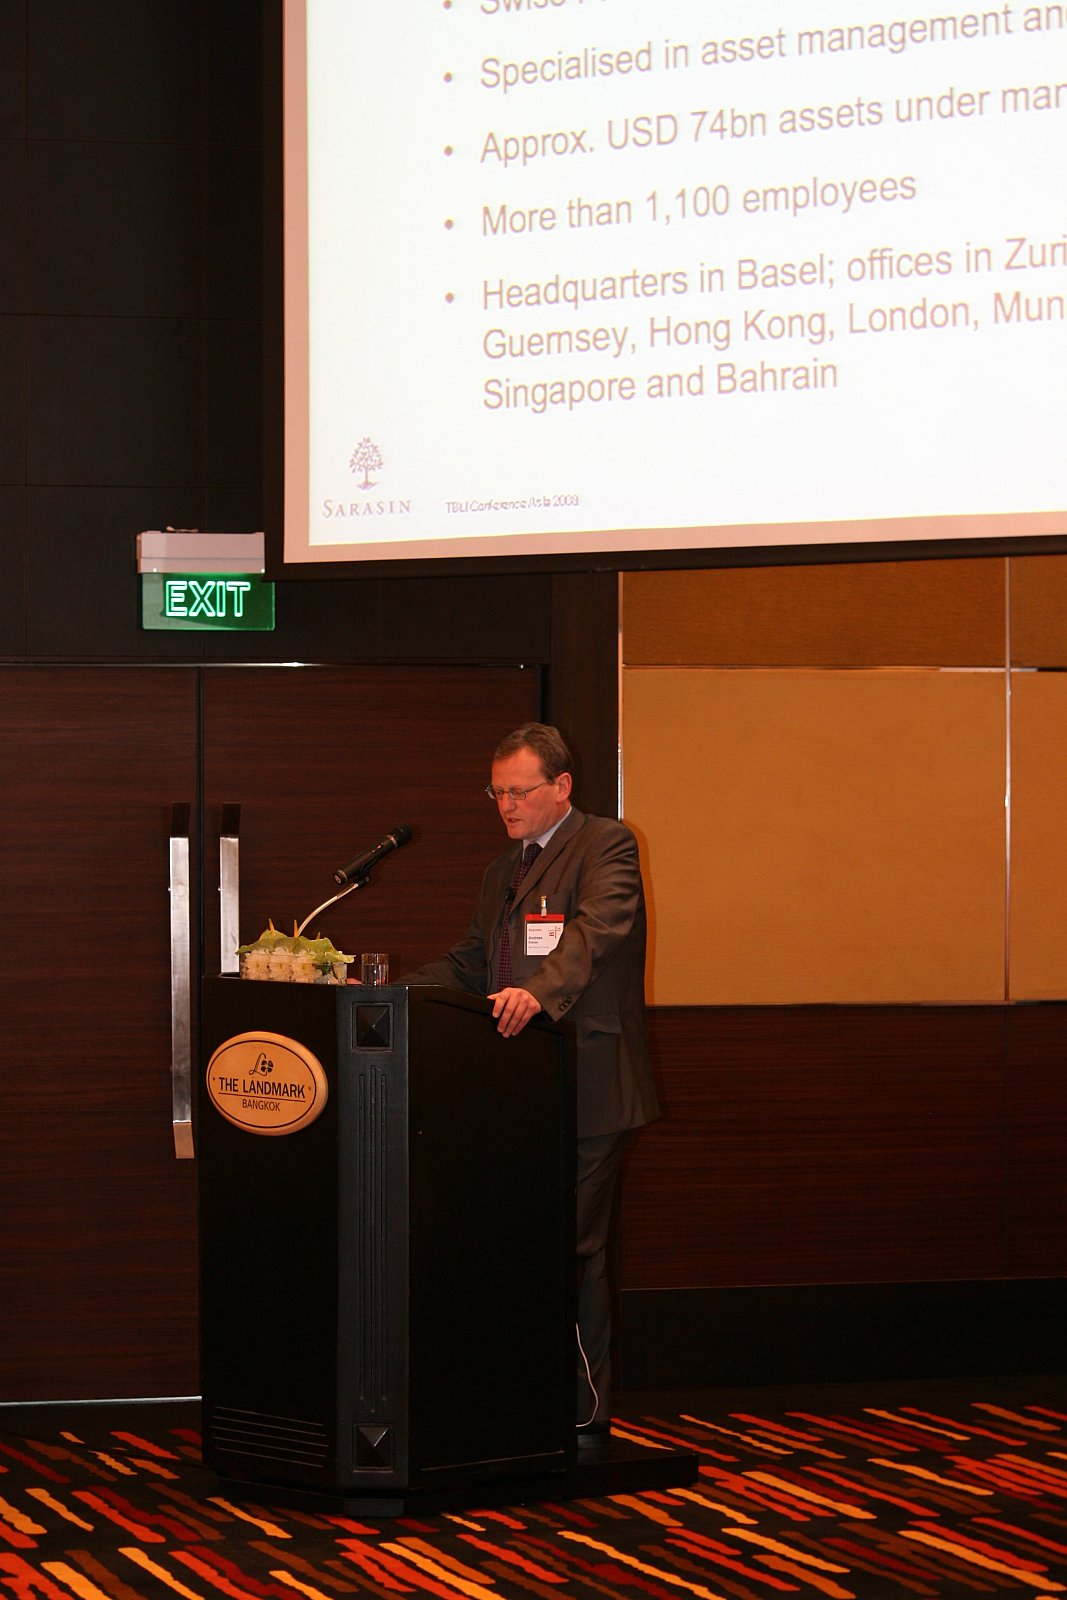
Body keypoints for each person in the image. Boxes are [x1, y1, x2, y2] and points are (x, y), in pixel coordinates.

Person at [403, 722, 659, 1443]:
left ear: (561, 786)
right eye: (497, 793)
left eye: (519, 792)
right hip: (519, 1089)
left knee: (571, 1244)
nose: (506, 806)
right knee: (518, 1243)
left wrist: (536, 994)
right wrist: (388, 990)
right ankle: (520, 1393)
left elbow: (594, 934)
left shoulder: (605, 845)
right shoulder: (503, 871)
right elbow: (473, 960)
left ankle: (579, 1406)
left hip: (591, 1083)